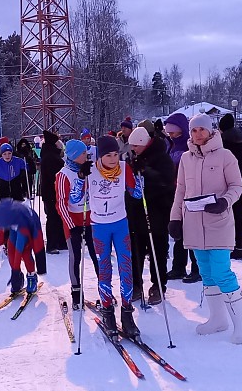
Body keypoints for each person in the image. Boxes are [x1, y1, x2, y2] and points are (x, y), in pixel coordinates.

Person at [169, 113, 242, 344]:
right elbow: (181, 191)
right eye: (194, 131)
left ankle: (241, 326)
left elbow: (237, 185)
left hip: (219, 223)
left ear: (211, 131)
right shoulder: (186, 158)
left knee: (222, 272)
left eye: (201, 130)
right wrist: (175, 219)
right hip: (194, 223)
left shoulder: (226, 156)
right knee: (205, 272)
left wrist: (225, 201)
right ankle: (217, 319)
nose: (197, 134)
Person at [87, 135, 143, 340]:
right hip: (99, 226)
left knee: (125, 267)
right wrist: (79, 178)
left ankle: (127, 315)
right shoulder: (90, 170)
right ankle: (108, 312)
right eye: (108, 155)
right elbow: (75, 198)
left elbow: (136, 194)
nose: (112, 159)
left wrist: (137, 177)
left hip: (120, 224)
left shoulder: (123, 167)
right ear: (100, 156)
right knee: (104, 268)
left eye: (115, 154)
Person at [128, 126, 175, 305]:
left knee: (158, 251)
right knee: (136, 250)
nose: (133, 149)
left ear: (143, 143)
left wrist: (145, 172)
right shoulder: (136, 157)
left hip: (158, 212)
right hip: (138, 212)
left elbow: (166, 183)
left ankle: (158, 286)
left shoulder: (162, 158)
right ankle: (136, 284)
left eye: (135, 146)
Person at [55, 139, 100, 309]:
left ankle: (103, 289)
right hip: (73, 221)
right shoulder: (63, 174)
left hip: (91, 219)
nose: (86, 155)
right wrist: (71, 225)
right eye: (82, 153)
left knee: (98, 256)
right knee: (75, 258)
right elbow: (61, 203)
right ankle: (76, 293)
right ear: (74, 156)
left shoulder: (90, 169)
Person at [163, 112, 199, 283]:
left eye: (173, 132)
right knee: (178, 232)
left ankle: (197, 268)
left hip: (190, 193)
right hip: (174, 192)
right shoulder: (171, 145)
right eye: (169, 132)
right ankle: (178, 267)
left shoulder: (189, 146)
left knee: (192, 233)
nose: (171, 135)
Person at [218, 114, 242, 261]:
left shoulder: (223, 144)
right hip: (241, 183)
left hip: (225, 183)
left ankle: (227, 246)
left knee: (225, 216)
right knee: (238, 216)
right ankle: (239, 247)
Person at [39, 130, 66, 254]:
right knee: (53, 217)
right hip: (52, 191)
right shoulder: (51, 157)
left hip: (51, 191)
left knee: (58, 216)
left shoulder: (49, 154)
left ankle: (60, 242)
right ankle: (52, 244)